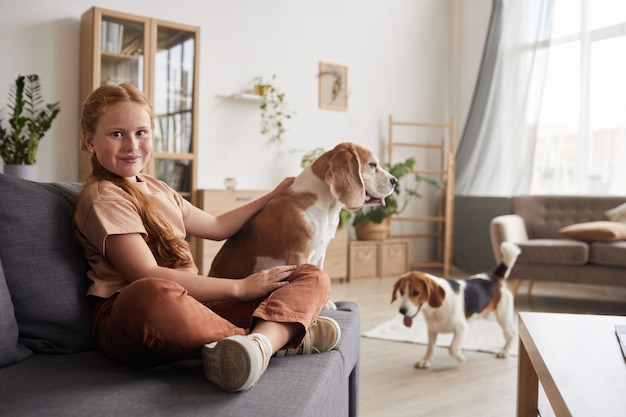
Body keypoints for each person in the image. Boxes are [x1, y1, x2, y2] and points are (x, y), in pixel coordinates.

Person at [73, 83, 340, 393]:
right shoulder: (104, 196)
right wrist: (240, 288)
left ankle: (258, 345)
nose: (132, 145)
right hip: (131, 317)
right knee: (150, 292)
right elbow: (145, 273)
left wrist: (273, 195)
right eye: (117, 134)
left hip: (197, 306)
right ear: (89, 140)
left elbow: (217, 225)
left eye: (141, 133)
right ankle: (278, 337)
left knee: (311, 275)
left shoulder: (158, 188)